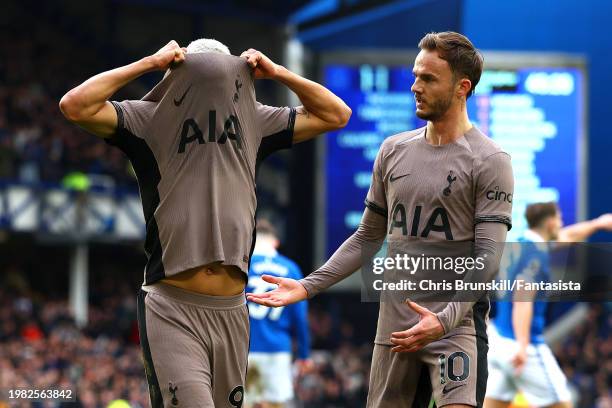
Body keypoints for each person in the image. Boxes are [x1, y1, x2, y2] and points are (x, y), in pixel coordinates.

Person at [59, 38, 351, 407]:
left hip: (232, 309)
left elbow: (336, 114)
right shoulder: (148, 118)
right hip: (173, 307)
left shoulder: (255, 119)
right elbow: (75, 105)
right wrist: (149, 63)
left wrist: (277, 73)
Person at [247, 31, 514, 407]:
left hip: (456, 327)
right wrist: (308, 286)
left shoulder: (490, 160)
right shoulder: (393, 151)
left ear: (462, 87)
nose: (414, 86)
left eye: (428, 78)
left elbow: (488, 255)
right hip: (395, 328)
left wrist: (445, 319)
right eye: (416, 75)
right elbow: (366, 237)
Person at [485, 203, 612, 408]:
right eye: (560, 219)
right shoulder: (537, 255)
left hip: (499, 342)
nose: (561, 224)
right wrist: (523, 345)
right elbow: (522, 297)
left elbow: (568, 236)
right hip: (523, 347)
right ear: (551, 221)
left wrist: (598, 224)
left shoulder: (520, 245)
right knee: (562, 403)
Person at [245, 219, 312, 408]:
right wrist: (304, 354)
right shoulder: (291, 268)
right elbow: (300, 318)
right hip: (277, 351)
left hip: (242, 349)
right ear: (275, 242)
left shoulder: (241, 265)